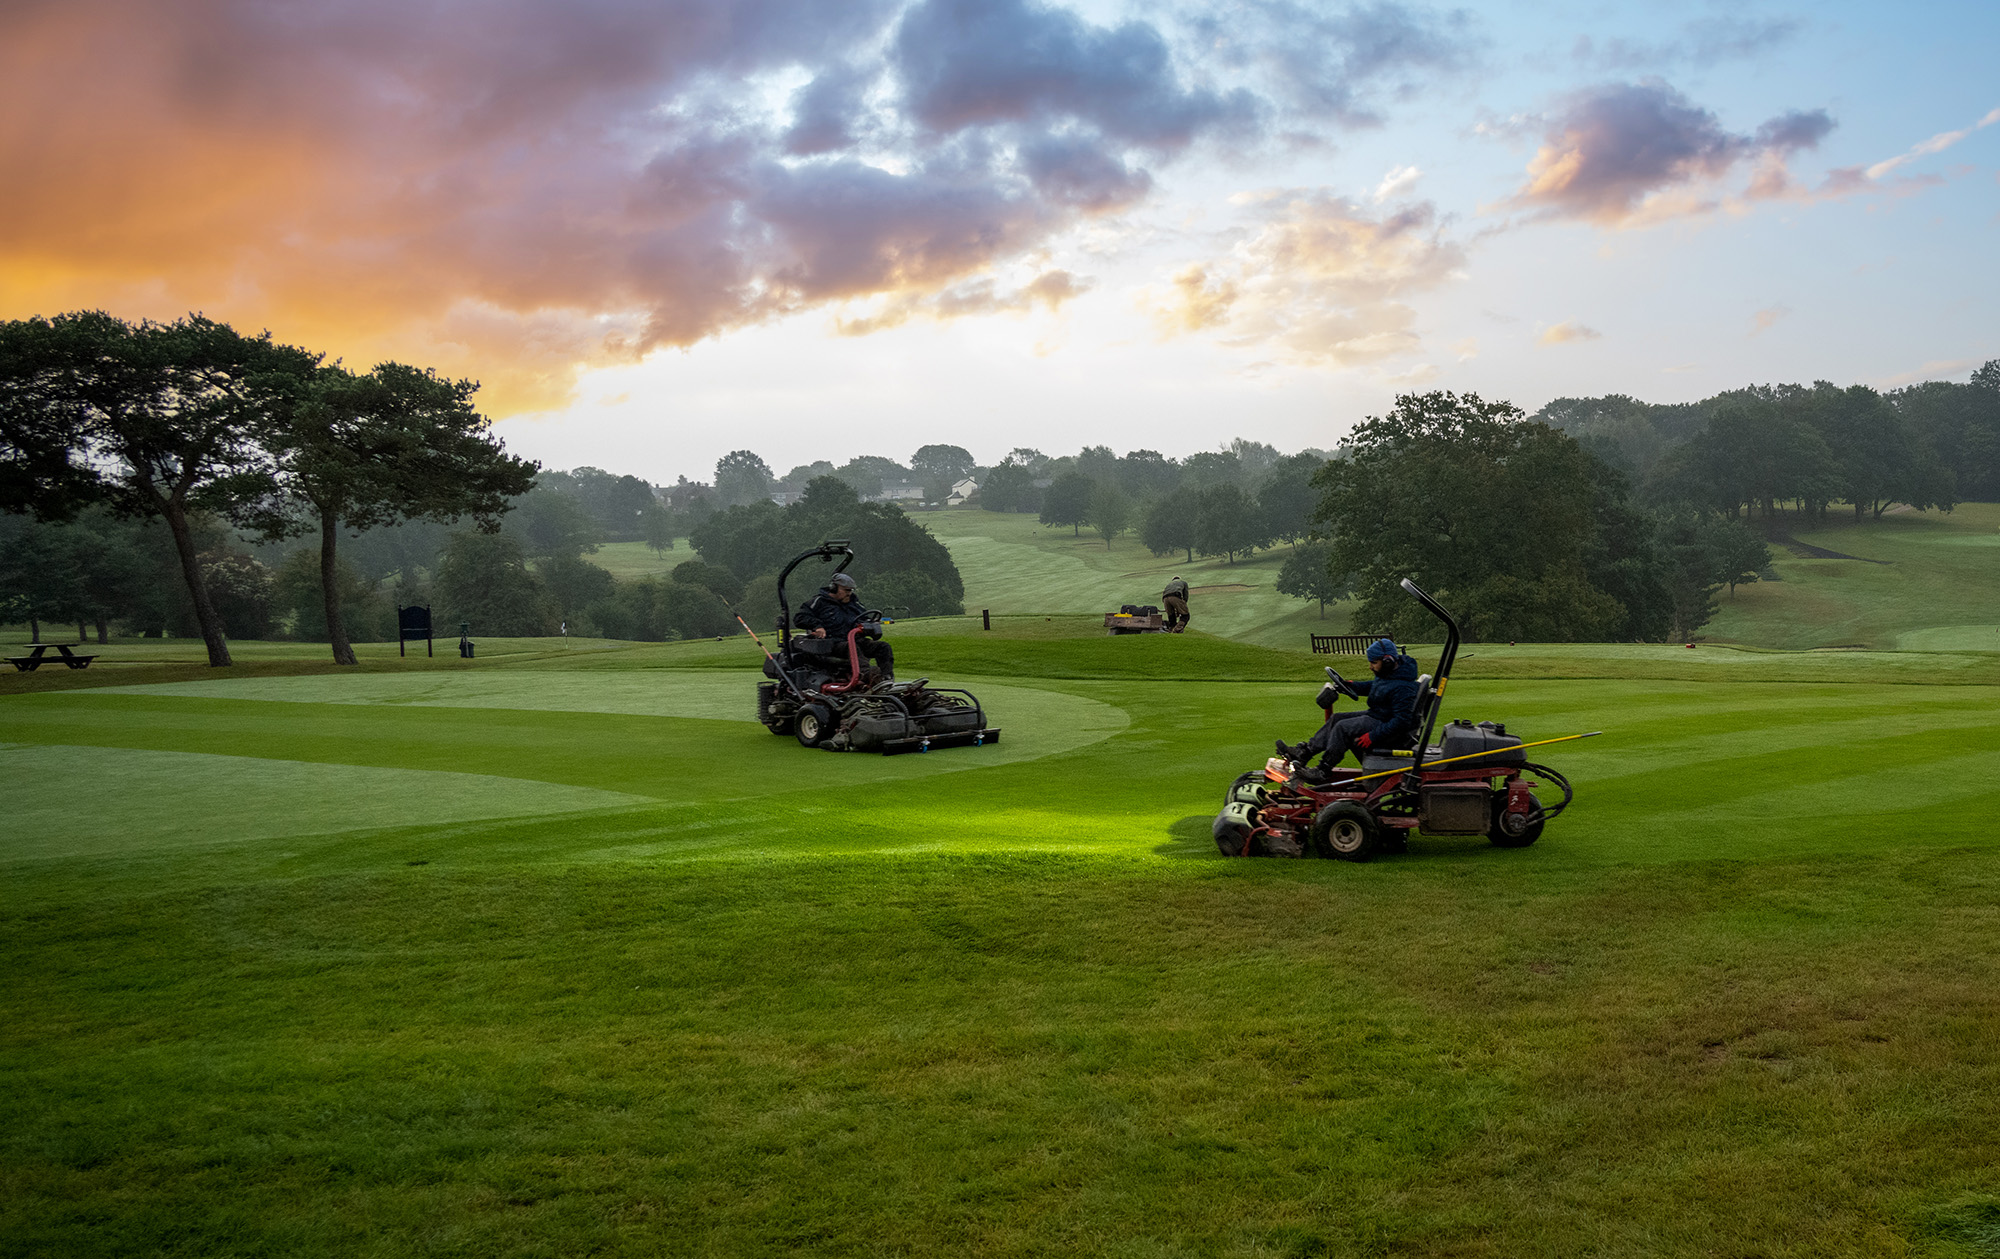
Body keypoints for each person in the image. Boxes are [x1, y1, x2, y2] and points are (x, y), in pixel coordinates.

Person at [1278, 638, 1420, 770]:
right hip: (1380, 716)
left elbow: (1401, 721)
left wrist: (1372, 736)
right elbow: (1377, 687)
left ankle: (1323, 770)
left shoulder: (1403, 687)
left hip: (1389, 728)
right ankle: (1305, 752)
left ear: (1388, 661)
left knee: (1342, 728)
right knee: (1336, 718)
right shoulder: (1392, 674)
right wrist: (1352, 686)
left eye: (1374, 662)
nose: (1370, 667)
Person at [795, 572, 894, 682]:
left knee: (883, 647)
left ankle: (887, 678)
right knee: (851, 647)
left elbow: (864, 618)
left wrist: (870, 625)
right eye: (846, 590)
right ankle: (867, 676)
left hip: (855, 639)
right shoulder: (819, 602)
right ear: (834, 588)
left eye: (851, 590)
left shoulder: (854, 604)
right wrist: (817, 627)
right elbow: (800, 617)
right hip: (832, 644)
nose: (849, 593)